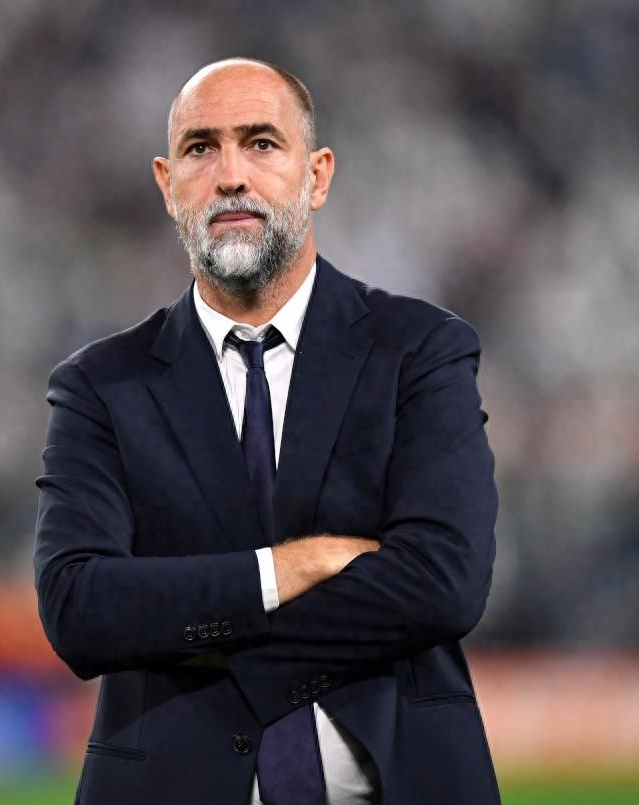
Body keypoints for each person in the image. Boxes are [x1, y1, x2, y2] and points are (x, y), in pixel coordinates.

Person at [33, 57, 500, 805]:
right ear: (166, 184)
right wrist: (285, 569)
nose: (230, 176)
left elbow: (445, 582)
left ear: (317, 176)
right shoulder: (99, 386)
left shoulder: (420, 350)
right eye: (200, 148)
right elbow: (79, 610)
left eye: (260, 143)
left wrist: (188, 622)